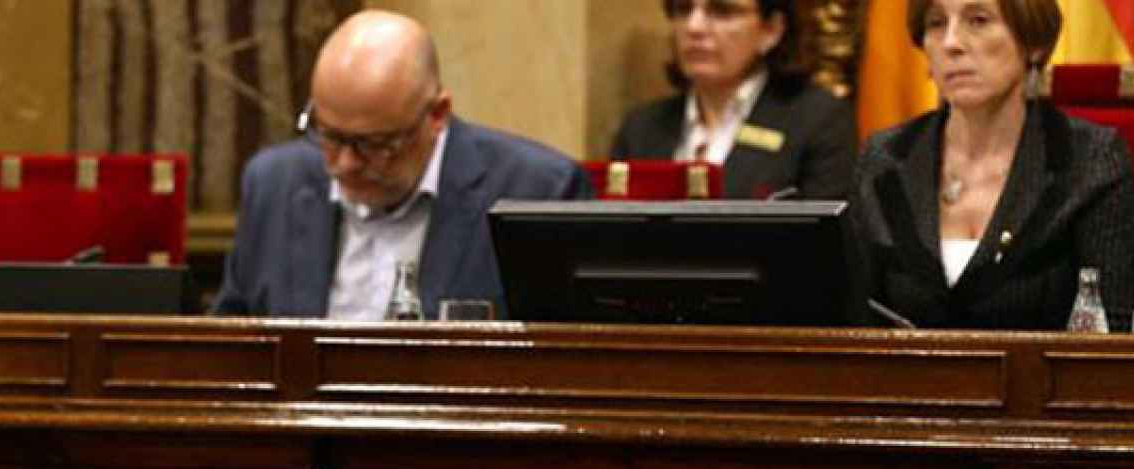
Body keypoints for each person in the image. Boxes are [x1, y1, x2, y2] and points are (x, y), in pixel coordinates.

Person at [210, 10, 589, 322]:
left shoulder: (538, 191)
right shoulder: (273, 184)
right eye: (329, 135)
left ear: (437, 115)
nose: (344, 164)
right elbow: (229, 351)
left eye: (374, 144)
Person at [845, 0, 1134, 329]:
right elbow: (849, 322)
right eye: (936, 23)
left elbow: (1114, 340)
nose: (951, 42)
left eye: (978, 20)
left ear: (1033, 42)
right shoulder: (884, 159)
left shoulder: (1090, 162)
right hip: (901, 380)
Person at [609, 0, 856, 201]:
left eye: (722, 11)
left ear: (771, 29)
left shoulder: (818, 120)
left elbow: (825, 248)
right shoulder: (641, 127)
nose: (694, 27)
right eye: (683, 9)